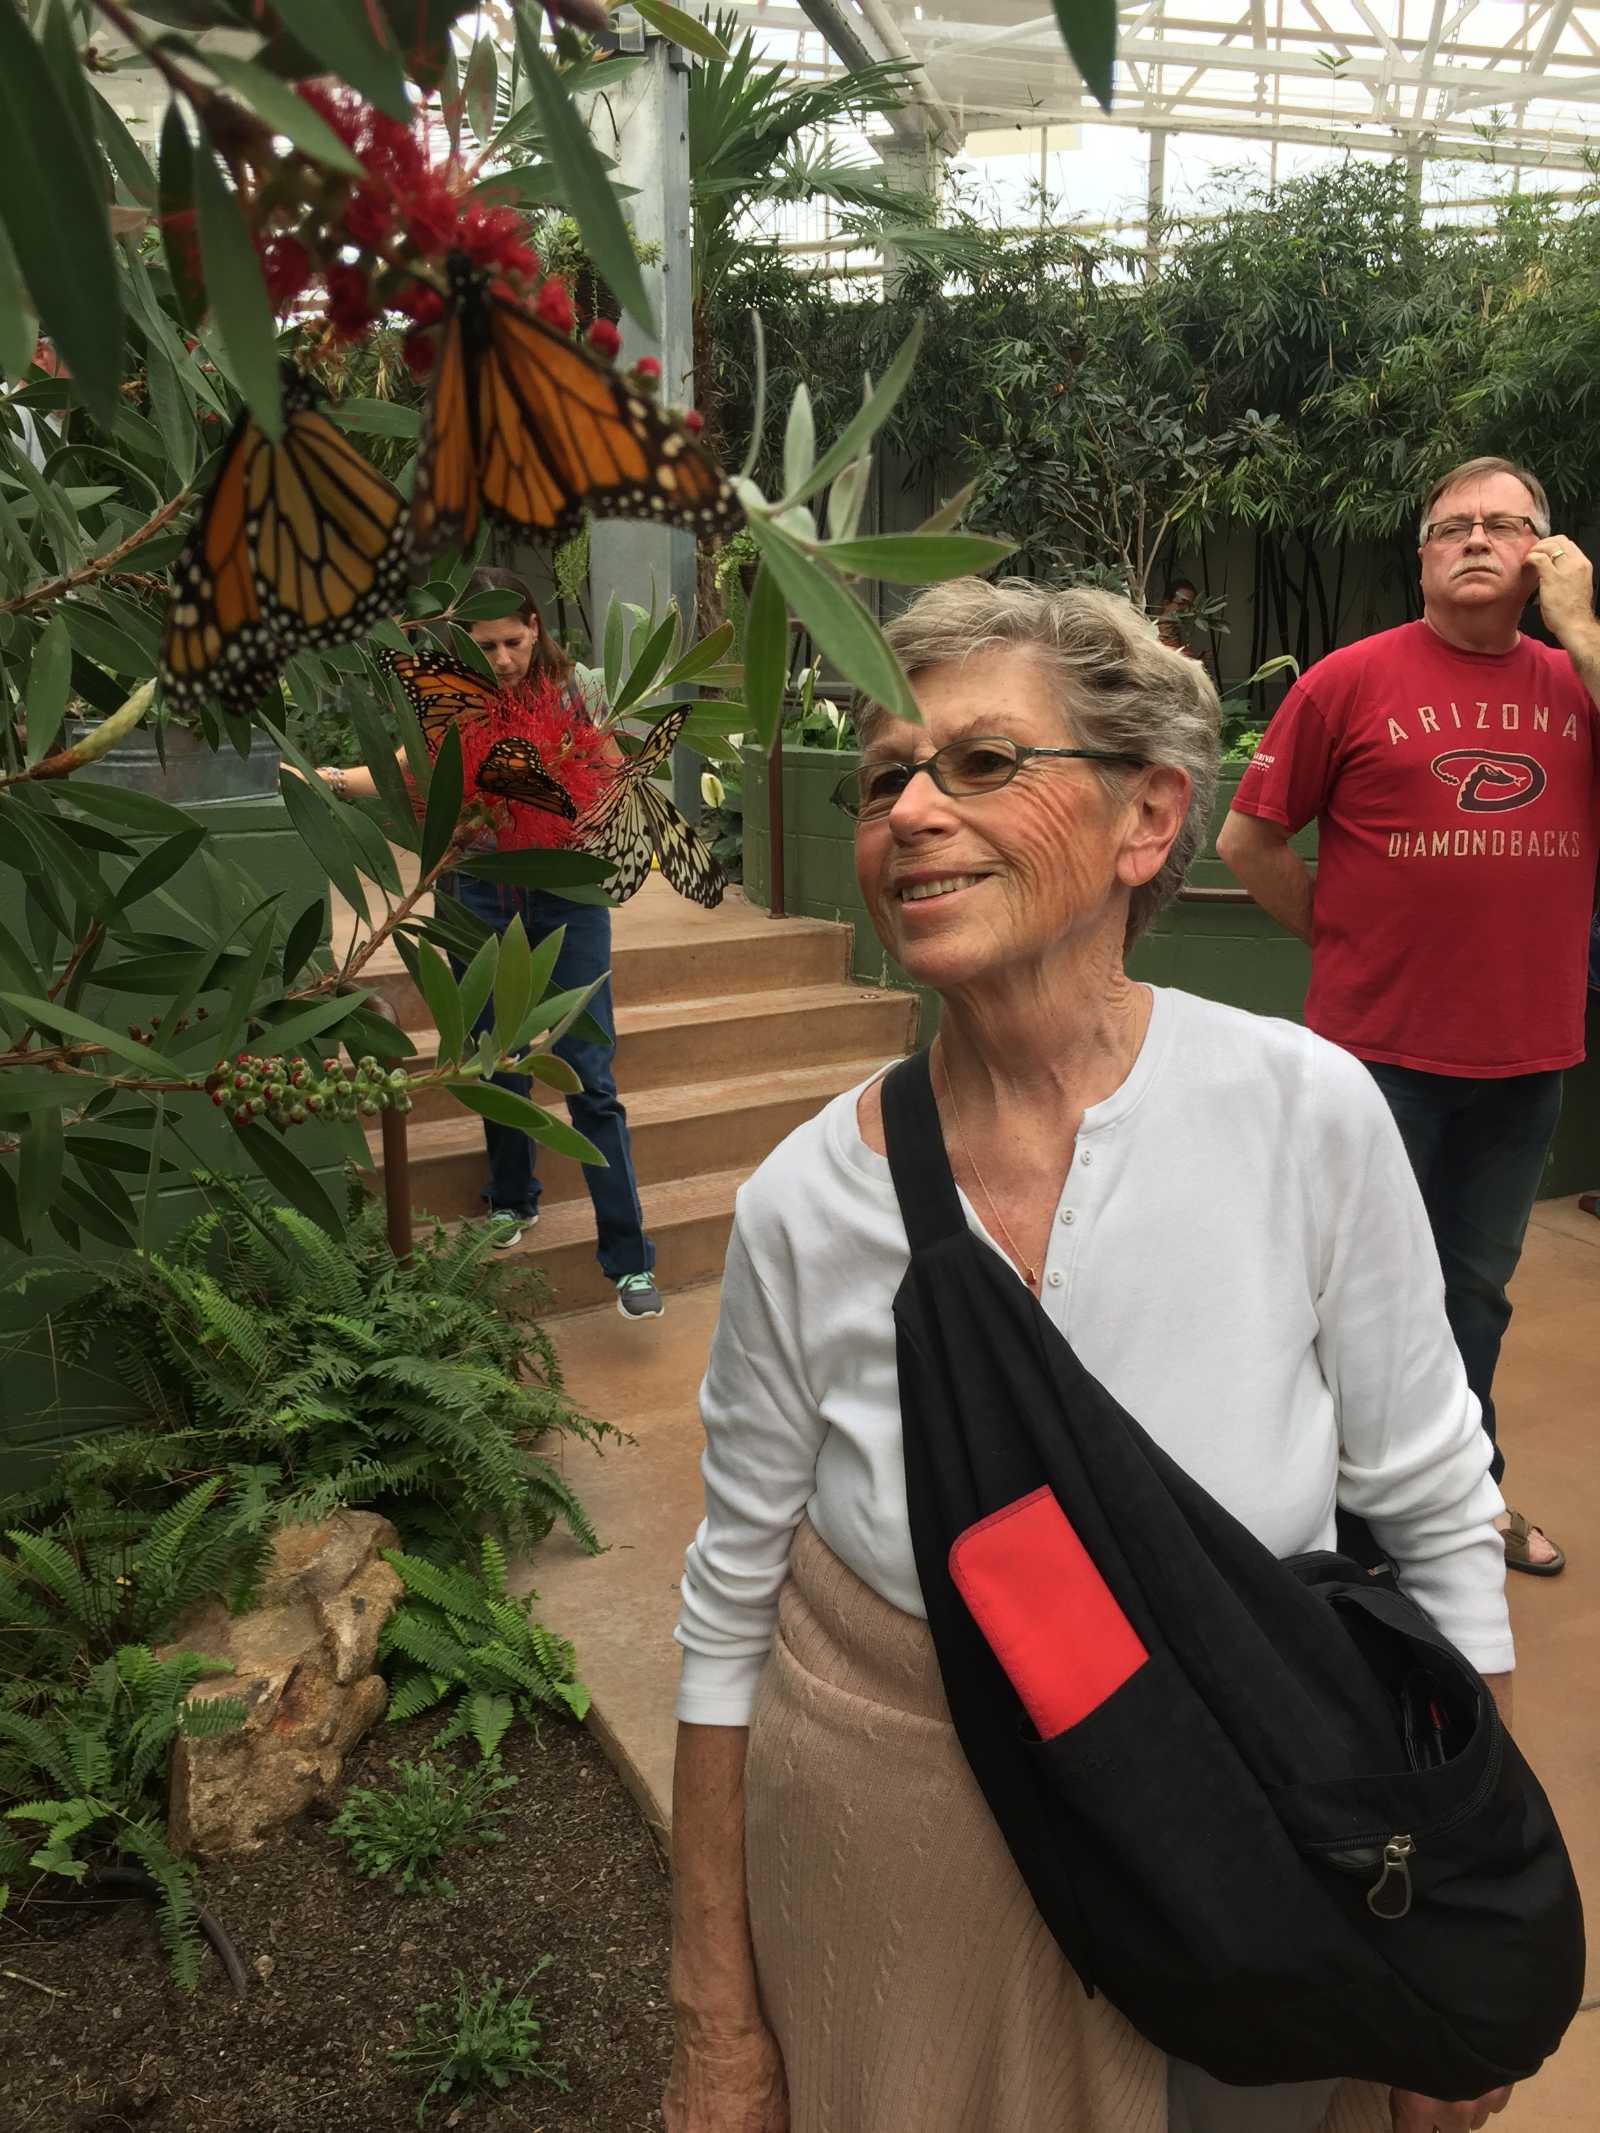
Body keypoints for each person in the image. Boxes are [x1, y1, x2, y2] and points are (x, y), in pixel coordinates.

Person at [666, 577, 1515, 2133]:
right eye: (884, 779)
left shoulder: (1302, 1113)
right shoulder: (806, 1201)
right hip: (897, 1881)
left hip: (1253, 1858)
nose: (911, 811)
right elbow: (729, 1602)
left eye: (983, 761)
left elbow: (1439, 1512)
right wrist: (715, 2014)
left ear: (1149, 817)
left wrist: (1456, 1939)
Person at [1218, 457, 1598, 1575]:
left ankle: (1463, 1499)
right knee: (1346, 1298)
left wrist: (1582, 629)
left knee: (1471, 1297)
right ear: (1421, 557)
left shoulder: (1574, 681)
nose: (1476, 540)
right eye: (1452, 527)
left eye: (1504, 525)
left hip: (1525, 1061)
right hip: (1373, 1060)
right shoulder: (1348, 680)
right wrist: (1342, 940)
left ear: (1544, 556)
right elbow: (1247, 840)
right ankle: (1328, 1522)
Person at [309, 566, 663, 1321]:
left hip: (566, 892)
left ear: (535, 627)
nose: (502, 659)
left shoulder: (580, 692)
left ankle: (630, 1259)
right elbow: (405, 772)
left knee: (590, 1073)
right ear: (461, 643)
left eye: (512, 641)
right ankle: (510, 1197)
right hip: (475, 891)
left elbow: (614, 780)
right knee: (493, 1054)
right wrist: (329, 778)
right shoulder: (448, 701)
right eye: (486, 645)